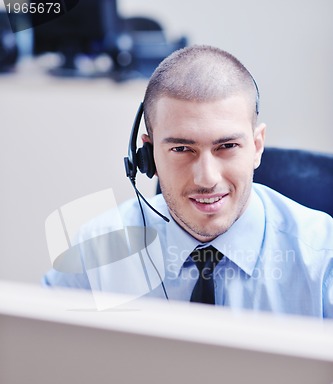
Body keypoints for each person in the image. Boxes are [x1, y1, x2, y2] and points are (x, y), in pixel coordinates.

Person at [43, 45, 333, 317]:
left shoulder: (323, 261)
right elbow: (37, 354)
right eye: (181, 149)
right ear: (148, 156)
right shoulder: (98, 251)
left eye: (227, 146)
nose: (207, 178)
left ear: (257, 147)